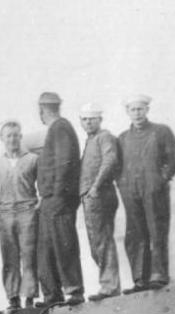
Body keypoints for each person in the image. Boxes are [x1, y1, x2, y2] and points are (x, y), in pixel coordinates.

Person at [118, 95, 175, 294]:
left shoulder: (160, 132)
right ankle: (140, 279)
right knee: (136, 235)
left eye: (140, 109)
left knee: (157, 231)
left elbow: (174, 160)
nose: (137, 113)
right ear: (127, 112)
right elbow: (117, 166)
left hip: (154, 191)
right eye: (133, 109)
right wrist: (123, 185)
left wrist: (161, 179)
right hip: (131, 193)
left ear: (147, 110)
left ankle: (159, 274)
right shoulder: (123, 138)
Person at [0, 120, 39, 309]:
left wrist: (38, 205)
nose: (13, 139)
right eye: (9, 136)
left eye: (16, 135)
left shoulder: (32, 159)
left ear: (20, 137)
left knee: (30, 256)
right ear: (3, 139)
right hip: (6, 215)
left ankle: (30, 297)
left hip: (28, 213)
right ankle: (13, 297)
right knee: (10, 258)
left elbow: (44, 184)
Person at [36, 92, 84, 306]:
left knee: (64, 243)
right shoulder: (56, 129)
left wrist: (57, 193)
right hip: (49, 198)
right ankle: (52, 295)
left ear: (42, 110)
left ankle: (73, 291)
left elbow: (64, 162)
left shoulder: (60, 127)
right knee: (47, 248)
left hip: (58, 197)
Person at [79, 103, 122, 301]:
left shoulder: (104, 137)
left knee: (102, 240)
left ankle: (109, 286)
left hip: (100, 194)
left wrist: (95, 186)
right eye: (85, 119)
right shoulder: (90, 140)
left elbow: (110, 160)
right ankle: (110, 283)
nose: (88, 122)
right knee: (96, 243)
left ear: (100, 120)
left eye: (92, 119)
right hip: (90, 197)